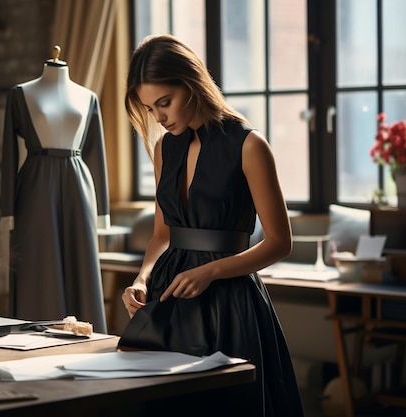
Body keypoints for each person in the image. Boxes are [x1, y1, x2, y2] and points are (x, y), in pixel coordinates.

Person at [121, 35, 304, 416]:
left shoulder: (249, 144)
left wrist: (211, 271)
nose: (159, 117)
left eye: (164, 103)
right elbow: (162, 234)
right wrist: (141, 278)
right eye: (150, 108)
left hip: (228, 300)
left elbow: (280, 242)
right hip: (169, 295)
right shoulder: (164, 148)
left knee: (227, 406)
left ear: (190, 84)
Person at [1, 46, 110, 333]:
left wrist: (103, 213)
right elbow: (9, 152)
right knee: (39, 263)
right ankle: (35, 336)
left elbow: (95, 152)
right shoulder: (21, 94)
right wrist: (7, 210)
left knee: (81, 264)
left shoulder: (88, 98)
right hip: (36, 183)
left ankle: (88, 337)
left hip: (78, 183)